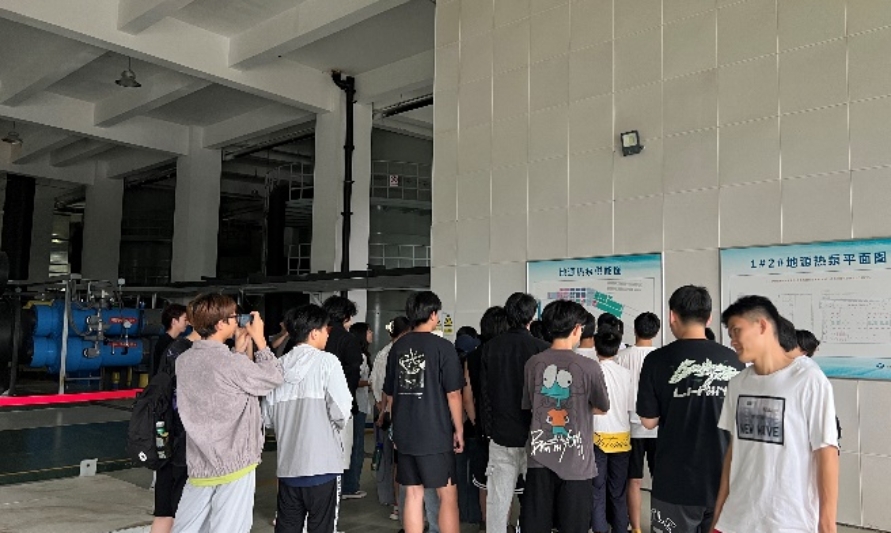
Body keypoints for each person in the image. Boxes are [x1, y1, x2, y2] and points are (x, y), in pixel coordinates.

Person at [713, 296, 839, 533]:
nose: (732, 341)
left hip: (788, 522)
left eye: (737, 331)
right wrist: (719, 508)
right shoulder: (738, 383)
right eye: (730, 334)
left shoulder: (808, 379)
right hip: (735, 519)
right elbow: (733, 451)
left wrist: (827, 523)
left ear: (762, 325)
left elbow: (826, 452)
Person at [636, 286, 745, 533]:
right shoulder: (735, 360)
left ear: (672, 316)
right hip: (724, 480)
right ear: (709, 318)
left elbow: (648, 421)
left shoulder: (656, 360)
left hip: (675, 482)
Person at [172, 294, 284, 533]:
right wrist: (260, 341)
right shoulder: (230, 363)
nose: (238, 321)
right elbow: (273, 378)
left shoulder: (184, 360)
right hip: (234, 461)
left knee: (188, 527)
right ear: (220, 324)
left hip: (200, 461)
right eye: (234, 317)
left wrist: (238, 351)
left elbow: (222, 386)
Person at [520, 299, 610, 533]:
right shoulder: (589, 367)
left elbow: (530, 405)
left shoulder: (533, 363)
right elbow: (602, 407)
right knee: (575, 527)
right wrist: (579, 406)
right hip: (577, 462)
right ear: (577, 329)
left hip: (539, 458)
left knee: (536, 526)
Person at [262, 304, 353, 533]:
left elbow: (267, 419)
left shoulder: (278, 366)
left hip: (288, 469)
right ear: (314, 333)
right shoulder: (328, 362)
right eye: (325, 330)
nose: (327, 335)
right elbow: (341, 412)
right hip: (323, 467)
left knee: (288, 527)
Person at [382, 291, 464, 533]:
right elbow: (453, 394)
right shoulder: (443, 347)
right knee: (447, 495)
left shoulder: (397, 348)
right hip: (435, 432)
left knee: (413, 493)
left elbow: (390, 395)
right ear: (433, 314)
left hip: (406, 433)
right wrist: (459, 429)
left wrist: (396, 429)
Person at [480, 292, 551, 533]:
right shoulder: (542, 349)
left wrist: (489, 430)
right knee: (536, 500)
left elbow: (485, 394)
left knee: (497, 501)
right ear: (532, 316)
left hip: (501, 435)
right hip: (535, 438)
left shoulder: (490, 348)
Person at [463, 306, 510, 532]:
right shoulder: (509, 354)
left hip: (482, 430)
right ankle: (504, 525)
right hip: (507, 429)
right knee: (505, 482)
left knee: (484, 482)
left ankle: (486, 524)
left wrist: (476, 422)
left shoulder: (473, 357)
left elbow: (467, 397)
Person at [150, 325, 201, 533]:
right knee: (181, 510)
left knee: (164, 510)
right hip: (182, 439)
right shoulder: (191, 353)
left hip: (166, 433)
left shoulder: (173, 348)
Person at [614, 312, 661, 533]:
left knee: (633, 480)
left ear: (635, 330)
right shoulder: (662, 357)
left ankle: (635, 528)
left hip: (628, 427)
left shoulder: (621, 357)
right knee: (660, 481)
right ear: (656, 332)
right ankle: (660, 526)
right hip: (658, 428)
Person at [586, 328, 632, 533]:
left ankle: (600, 529)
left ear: (596, 348)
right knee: (618, 491)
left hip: (597, 437)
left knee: (597, 490)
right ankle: (621, 529)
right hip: (622, 438)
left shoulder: (592, 372)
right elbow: (630, 406)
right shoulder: (626, 374)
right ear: (617, 349)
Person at [322, 295, 365, 499]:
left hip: (316, 405)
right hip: (341, 406)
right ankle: (335, 497)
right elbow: (353, 375)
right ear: (345, 316)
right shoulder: (348, 339)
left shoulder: (317, 335)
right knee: (339, 456)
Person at [370, 316, 412, 515]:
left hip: (385, 411)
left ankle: (393, 501)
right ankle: (401, 503)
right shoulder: (403, 353)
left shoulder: (383, 352)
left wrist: (381, 408)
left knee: (389, 459)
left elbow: (375, 383)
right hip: (395, 413)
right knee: (399, 461)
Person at [345, 321, 373, 499]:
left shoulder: (360, 355)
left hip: (359, 404)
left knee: (354, 445)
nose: (371, 334)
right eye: (369, 331)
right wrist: (371, 382)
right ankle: (350, 487)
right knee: (356, 446)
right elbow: (354, 380)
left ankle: (350, 485)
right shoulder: (359, 356)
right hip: (358, 405)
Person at [153, 304, 188, 376]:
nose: (187, 323)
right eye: (185, 320)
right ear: (174, 321)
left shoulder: (170, 340)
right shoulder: (166, 343)